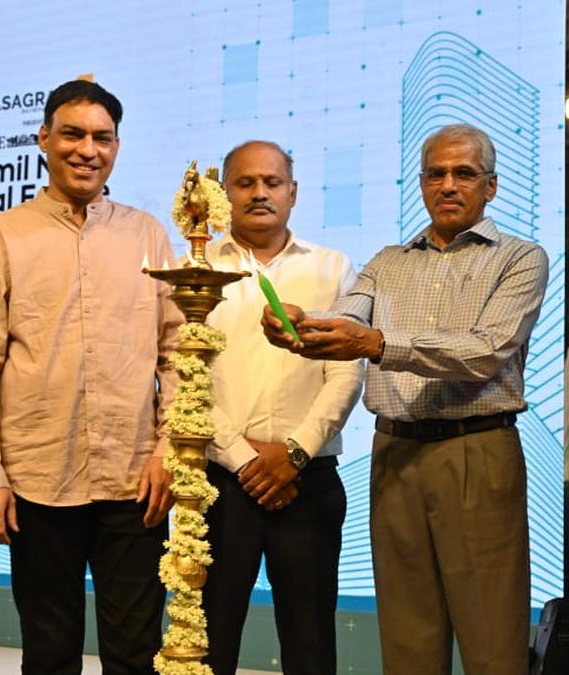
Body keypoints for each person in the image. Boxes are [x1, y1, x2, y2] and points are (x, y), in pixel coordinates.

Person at [262, 123, 548, 674]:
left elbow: (486, 351)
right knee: (407, 637)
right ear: (420, 183)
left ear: (490, 185)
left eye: (464, 173)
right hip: (394, 452)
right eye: (436, 174)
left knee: (492, 639)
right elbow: (347, 317)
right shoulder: (387, 261)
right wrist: (301, 325)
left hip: (476, 450)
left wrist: (376, 343)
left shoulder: (520, 257)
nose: (448, 185)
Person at [0, 79, 181, 674]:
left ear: (117, 146)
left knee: (137, 656)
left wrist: (169, 450)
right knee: (49, 655)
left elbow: (180, 356)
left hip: (136, 481)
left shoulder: (147, 234)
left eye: (102, 138)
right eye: (72, 134)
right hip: (36, 481)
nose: (87, 150)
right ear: (44, 138)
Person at [201, 140, 364, 675]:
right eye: (245, 183)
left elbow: (346, 370)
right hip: (224, 483)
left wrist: (294, 453)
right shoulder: (197, 269)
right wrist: (245, 460)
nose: (260, 193)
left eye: (272, 182)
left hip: (308, 480)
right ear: (224, 194)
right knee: (209, 640)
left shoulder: (333, 268)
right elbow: (185, 376)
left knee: (310, 644)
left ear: (292, 193)